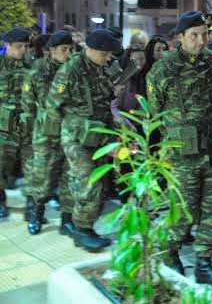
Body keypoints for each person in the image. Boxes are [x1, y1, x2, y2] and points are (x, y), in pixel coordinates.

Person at [147, 11, 212, 289]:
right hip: (181, 153)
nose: (201, 41)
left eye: (204, 34)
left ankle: (204, 263)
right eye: (194, 36)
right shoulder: (162, 70)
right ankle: (170, 251)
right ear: (180, 38)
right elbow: (154, 114)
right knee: (183, 209)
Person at [46, 29, 122, 251]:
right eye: (105, 54)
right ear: (91, 49)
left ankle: (67, 221)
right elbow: (52, 107)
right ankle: (83, 229)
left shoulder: (99, 69)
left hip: (97, 135)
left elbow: (103, 103)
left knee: (77, 181)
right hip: (75, 137)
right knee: (90, 181)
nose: (108, 58)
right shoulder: (70, 70)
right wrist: (68, 132)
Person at [24, 31, 76, 235]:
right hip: (46, 134)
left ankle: (67, 219)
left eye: (71, 49)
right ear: (52, 50)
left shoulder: (74, 71)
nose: (69, 53)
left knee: (69, 177)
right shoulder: (37, 72)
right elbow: (28, 104)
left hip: (71, 132)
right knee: (43, 178)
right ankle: (36, 212)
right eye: (64, 49)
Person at [0, 28, 33, 219]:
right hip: (4, 128)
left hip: (28, 127)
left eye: (26, 46)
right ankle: (1, 202)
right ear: (7, 46)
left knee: (33, 169)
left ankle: (32, 206)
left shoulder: (33, 66)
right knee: (2, 167)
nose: (23, 50)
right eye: (19, 46)